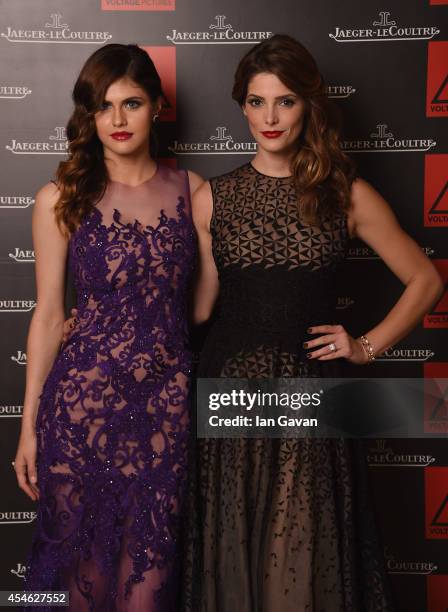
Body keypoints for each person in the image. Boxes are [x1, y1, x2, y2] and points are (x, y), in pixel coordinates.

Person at [183, 34, 443, 611]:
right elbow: (198, 310)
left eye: (285, 101)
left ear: (309, 105)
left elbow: (426, 280)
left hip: (308, 398)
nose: (270, 118)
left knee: (296, 568)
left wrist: (366, 345)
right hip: (228, 396)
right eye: (256, 102)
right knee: (234, 566)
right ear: (241, 105)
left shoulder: (345, 194)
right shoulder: (213, 199)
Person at [14, 44, 202, 611]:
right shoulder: (60, 199)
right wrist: (28, 427)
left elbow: (202, 305)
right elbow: (48, 314)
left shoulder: (194, 192)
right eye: (103, 107)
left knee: (147, 586)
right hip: (81, 411)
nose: (117, 121)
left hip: (163, 412)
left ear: (158, 107)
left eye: (132, 103)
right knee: (87, 582)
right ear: (88, 116)